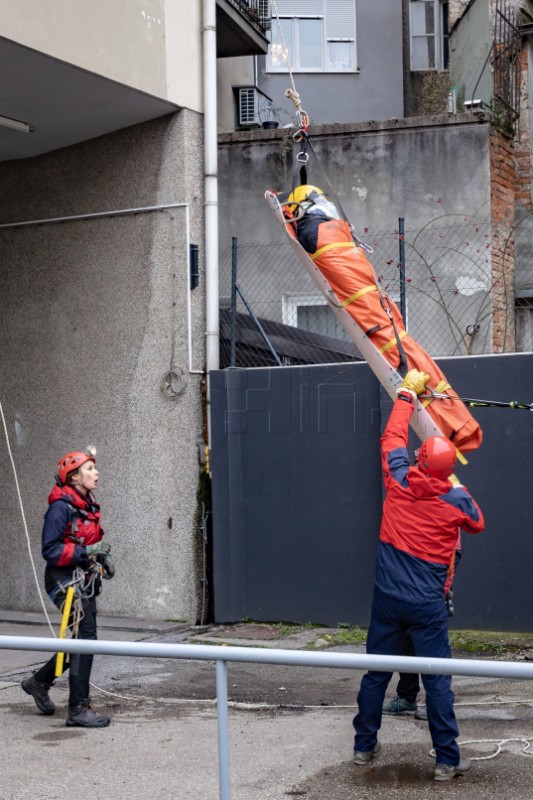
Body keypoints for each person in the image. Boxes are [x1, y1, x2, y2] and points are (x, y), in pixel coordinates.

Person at [352, 369, 485, 781]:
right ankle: (447, 759)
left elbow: (392, 438)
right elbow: (477, 522)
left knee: (377, 672)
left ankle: (363, 747)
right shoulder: (456, 501)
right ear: (447, 472)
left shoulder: (398, 478)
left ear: (418, 459)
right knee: (438, 680)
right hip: (427, 605)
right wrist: (453, 484)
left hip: (388, 599)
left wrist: (407, 392)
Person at [21, 450, 114, 728]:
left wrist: (102, 558)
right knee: (84, 639)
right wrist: (87, 551)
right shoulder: (61, 507)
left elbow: (88, 543)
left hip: (82, 581)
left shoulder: (86, 506)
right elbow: (50, 550)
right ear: (74, 477)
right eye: (89, 469)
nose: (96, 473)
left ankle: (39, 682)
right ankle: (77, 709)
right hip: (63, 580)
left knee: (81, 641)